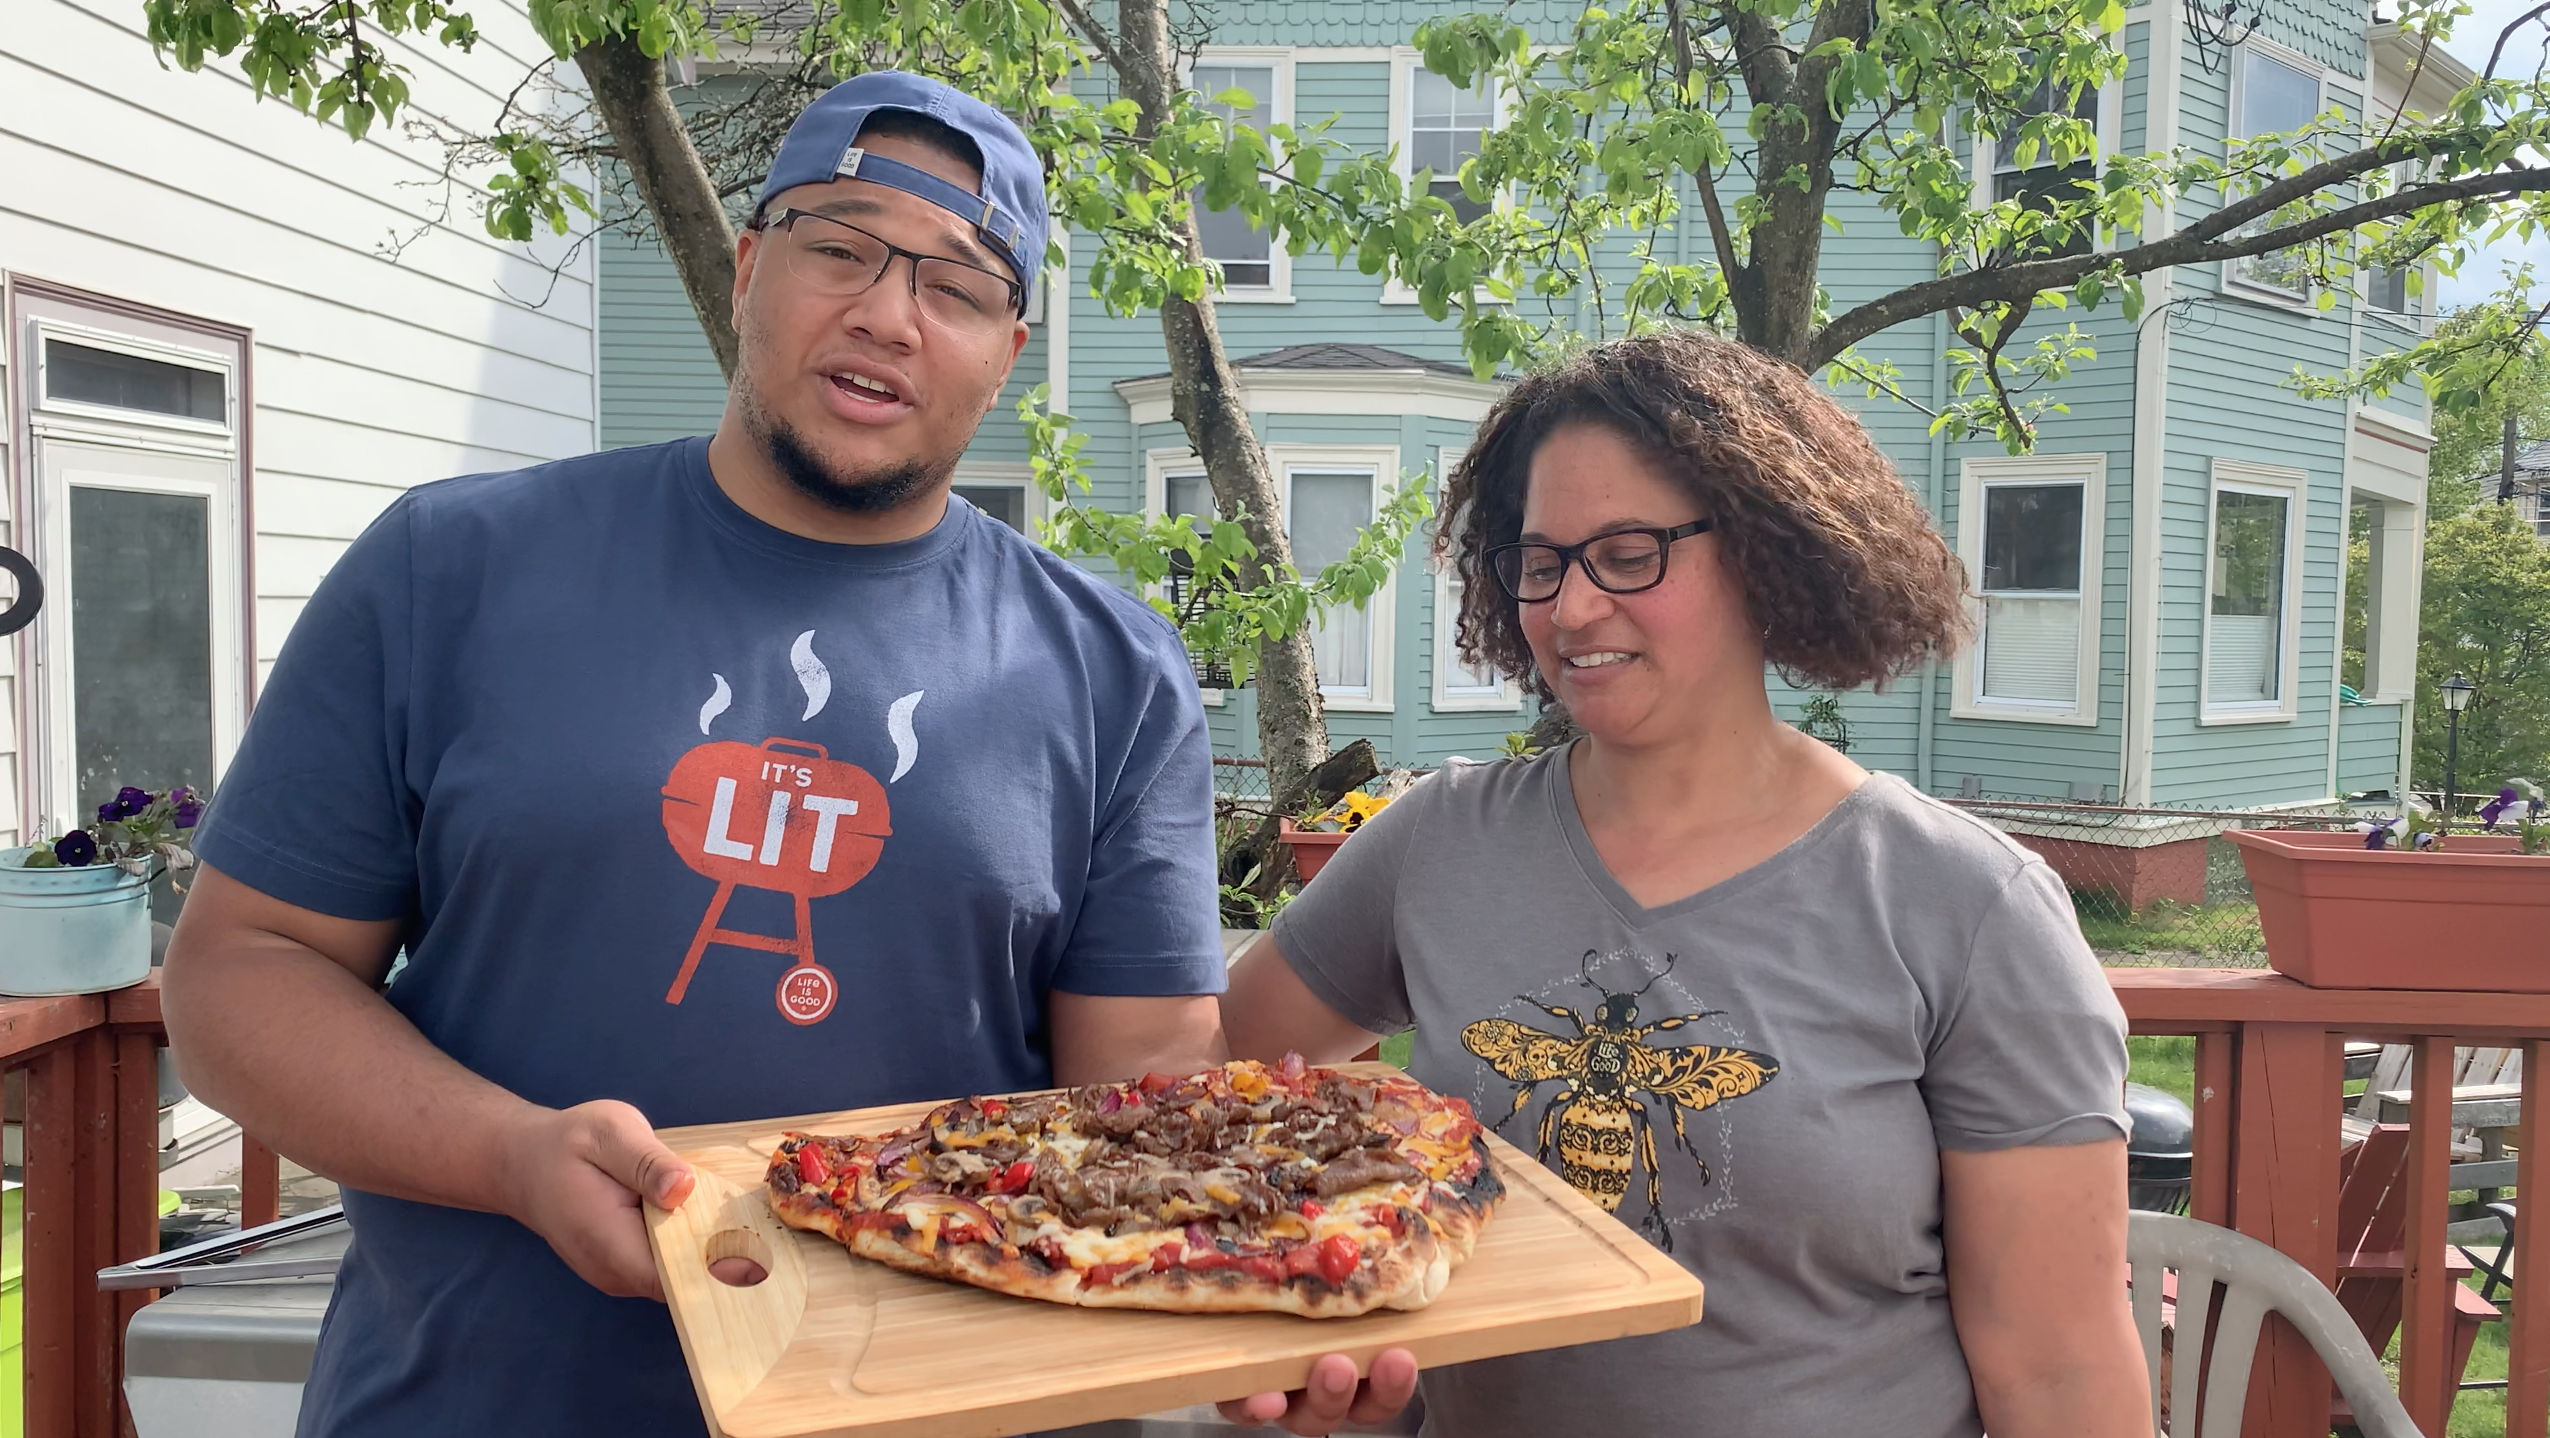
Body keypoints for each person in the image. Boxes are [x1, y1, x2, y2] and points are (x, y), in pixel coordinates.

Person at [165, 70, 1410, 1438]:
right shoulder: (449, 568)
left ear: (1007, 348)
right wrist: (509, 1156)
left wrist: (1263, 1284)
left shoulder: (1109, 669)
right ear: (751, 264)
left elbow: (1140, 1095)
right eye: (840, 245)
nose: (886, 312)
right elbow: (237, 975)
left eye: (957, 285)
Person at [1221, 331, 2150, 1438]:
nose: (1569, 611)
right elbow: (1215, 1075)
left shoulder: (1965, 906)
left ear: (1769, 550)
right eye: (1542, 560)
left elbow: (2060, 1378)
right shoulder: (1437, 843)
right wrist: (1331, 1298)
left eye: (1628, 552)